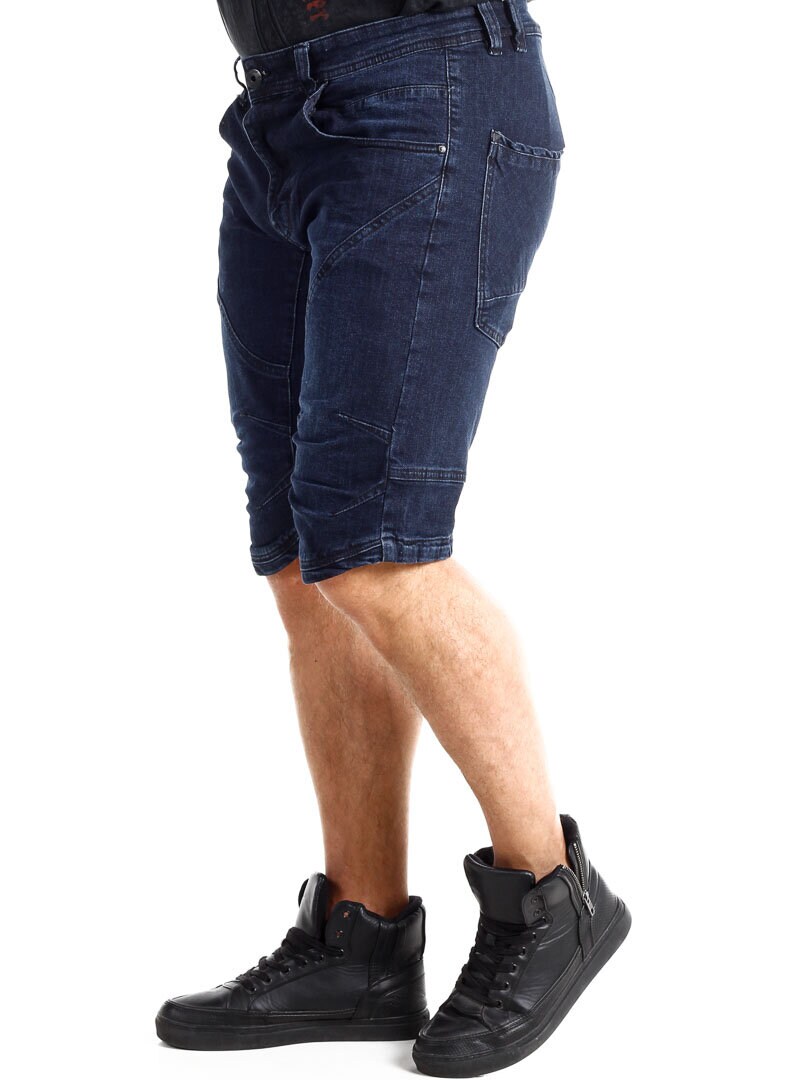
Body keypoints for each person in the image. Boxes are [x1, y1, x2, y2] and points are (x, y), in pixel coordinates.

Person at [155, 2, 630, 1074]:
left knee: (376, 545)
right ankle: (361, 941)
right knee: (302, 554)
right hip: (276, 108)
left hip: (424, 86)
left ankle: (552, 894)